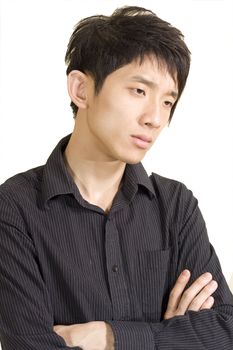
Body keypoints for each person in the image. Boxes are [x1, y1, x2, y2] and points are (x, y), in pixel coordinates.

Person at [0, 5, 232, 350]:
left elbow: (225, 330)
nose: (155, 118)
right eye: (139, 91)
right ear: (81, 89)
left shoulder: (176, 206)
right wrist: (171, 337)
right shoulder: (14, 209)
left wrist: (110, 336)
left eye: (168, 101)